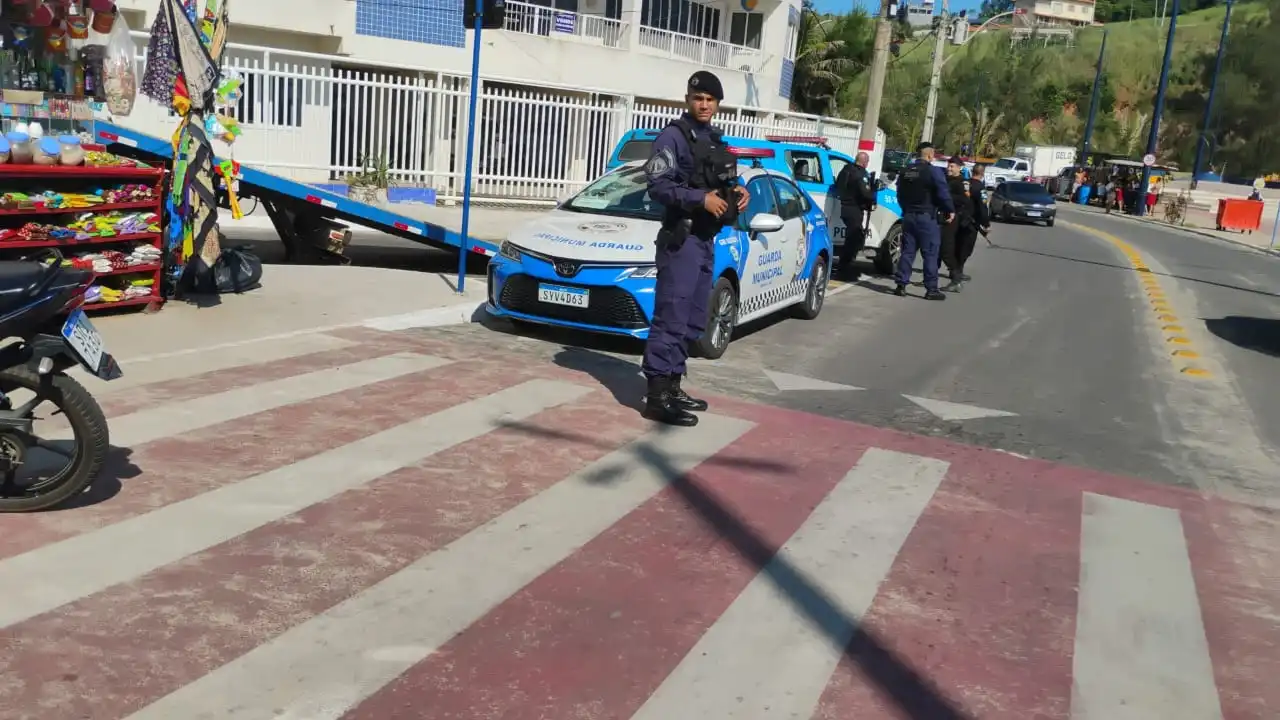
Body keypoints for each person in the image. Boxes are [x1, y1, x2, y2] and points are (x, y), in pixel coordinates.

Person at [640, 70, 749, 427]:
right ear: (687, 99)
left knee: (691, 319)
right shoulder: (671, 137)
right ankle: (656, 397)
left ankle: (673, 385)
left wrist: (740, 191)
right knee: (671, 317)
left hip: (705, 240)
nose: (704, 105)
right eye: (698, 98)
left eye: (710, 100)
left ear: (718, 104)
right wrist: (698, 199)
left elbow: (725, 177)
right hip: (681, 238)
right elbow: (658, 185)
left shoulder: (714, 137)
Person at [894, 142, 953, 301]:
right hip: (927, 217)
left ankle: (901, 284)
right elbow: (943, 193)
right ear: (929, 155)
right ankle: (931, 289)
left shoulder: (905, 171)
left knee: (907, 251)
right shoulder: (933, 172)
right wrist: (950, 210)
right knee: (930, 254)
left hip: (908, 216)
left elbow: (899, 194)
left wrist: (906, 209)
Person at [834, 151, 876, 279]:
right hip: (855, 209)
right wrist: (872, 197)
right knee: (853, 240)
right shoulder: (861, 174)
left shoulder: (845, 170)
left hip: (844, 208)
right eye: (867, 162)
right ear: (864, 162)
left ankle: (844, 267)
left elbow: (838, 185)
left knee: (851, 239)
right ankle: (845, 269)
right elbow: (866, 193)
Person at [951, 162, 989, 288]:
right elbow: (983, 208)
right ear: (982, 174)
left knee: (957, 246)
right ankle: (957, 273)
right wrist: (986, 224)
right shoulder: (981, 188)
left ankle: (956, 271)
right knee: (966, 249)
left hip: (957, 219)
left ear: (972, 171)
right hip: (971, 223)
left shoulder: (963, 184)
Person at [939, 157, 972, 291]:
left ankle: (956, 278)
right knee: (938, 248)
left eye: (952, 166)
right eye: (948, 166)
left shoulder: (962, 182)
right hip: (941, 216)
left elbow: (965, 199)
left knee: (946, 249)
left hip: (953, 218)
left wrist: (947, 197)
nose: (949, 169)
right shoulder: (945, 179)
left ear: (959, 168)